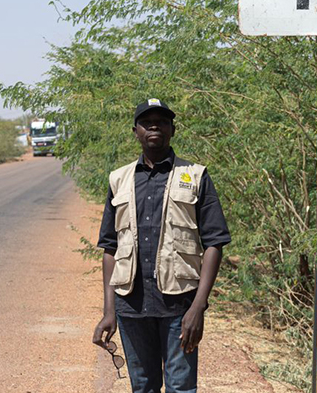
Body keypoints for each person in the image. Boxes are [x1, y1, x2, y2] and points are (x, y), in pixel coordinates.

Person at [92, 98, 231, 393]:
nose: (155, 126)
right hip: (131, 306)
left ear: (173, 130)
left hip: (179, 305)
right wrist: (109, 311)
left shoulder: (195, 176)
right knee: (143, 387)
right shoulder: (119, 179)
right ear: (135, 131)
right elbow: (110, 248)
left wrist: (198, 306)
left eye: (162, 121)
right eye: (147, 122)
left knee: (181, 387)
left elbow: (215, 243)